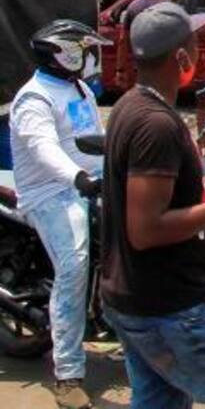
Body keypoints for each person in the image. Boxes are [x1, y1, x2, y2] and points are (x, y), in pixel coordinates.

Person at [100, 2, 205, 409]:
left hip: (135, 299)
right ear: (181, 58)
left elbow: (147, 186)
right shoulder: (155, 124)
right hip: (171, 305)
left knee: (160, 400)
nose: (200, 52)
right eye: (195, 44)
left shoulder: (131, 106)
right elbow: (146, 229)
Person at [9, 21, 109, 409]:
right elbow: (44, 149)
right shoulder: (33, 99)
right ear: (64, 54)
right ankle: (68, 375)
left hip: (91, 182)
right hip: (51, 191)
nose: (90, 57)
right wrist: (78, 177)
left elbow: (98, 137)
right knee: (75, 264)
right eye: (84, 50)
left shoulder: (79, 88)